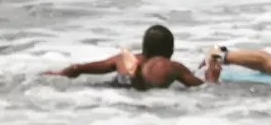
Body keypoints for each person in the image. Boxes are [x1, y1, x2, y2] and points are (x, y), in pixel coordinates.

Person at [44, 24, 221, 89]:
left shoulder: (122, 58)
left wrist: (59, 74)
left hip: (112, 89)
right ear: (171, 50)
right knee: (144, 86)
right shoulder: (172, 66)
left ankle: (134, 74)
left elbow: (79, 69)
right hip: (149, 93)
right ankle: (137, 78)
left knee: (121, 82)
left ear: (144, 47)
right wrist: (212, 75)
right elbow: (201, 87)